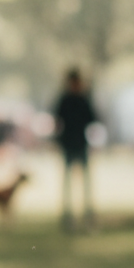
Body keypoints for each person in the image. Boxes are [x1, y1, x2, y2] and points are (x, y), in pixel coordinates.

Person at [53, 68, 98, 230]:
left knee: (85, 181)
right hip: (68, 144)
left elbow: (92, 118)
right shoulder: (65, 99)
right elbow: (57, 120)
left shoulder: (83, 98)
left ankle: (88, 213)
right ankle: (67, 214)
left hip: (80, 143)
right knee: (68, 181)